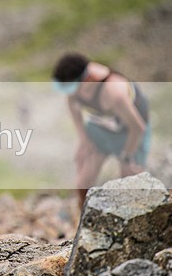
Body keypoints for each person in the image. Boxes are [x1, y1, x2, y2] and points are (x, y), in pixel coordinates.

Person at [52, 53, 150, 209]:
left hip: (130, 131)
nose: (70, 93)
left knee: (130, 179)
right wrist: (83, 141)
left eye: (72, 88)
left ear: (87, 79)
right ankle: (83, 215)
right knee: (84, 179)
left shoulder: (114, 92)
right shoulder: (74, 90)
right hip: (101, 126)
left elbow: (137, 127)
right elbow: (73, 109)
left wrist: (126, 157)